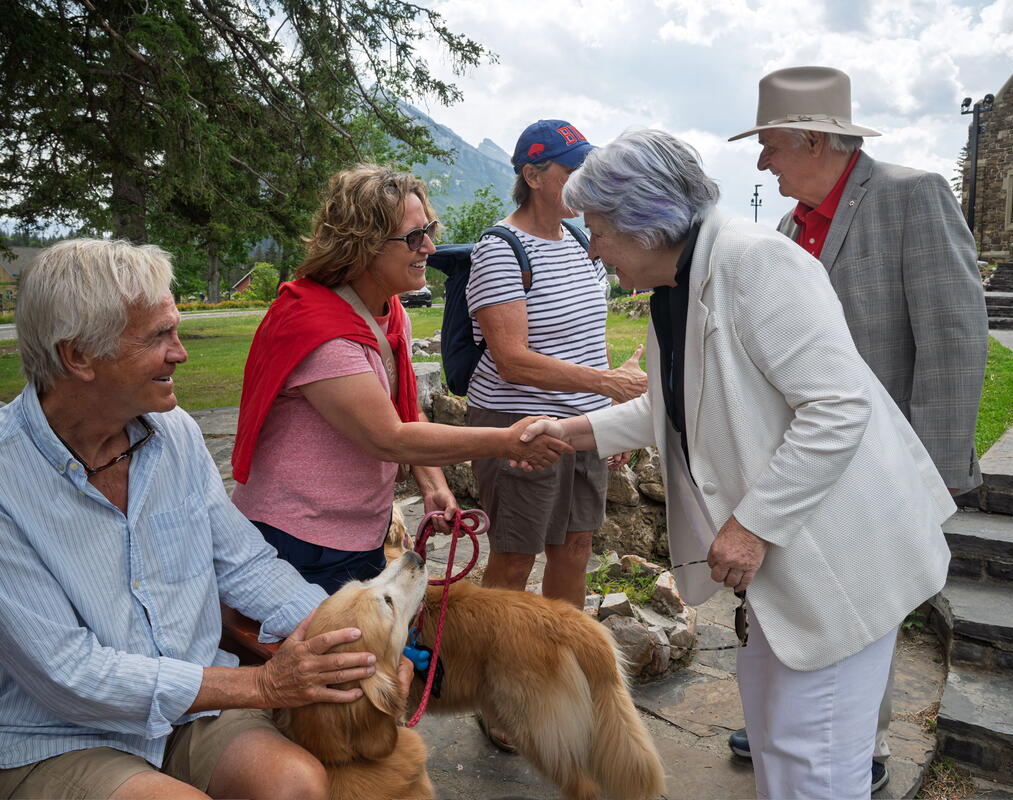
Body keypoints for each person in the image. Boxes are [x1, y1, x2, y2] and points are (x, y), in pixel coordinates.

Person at [520, 128, 956, 800]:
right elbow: (672, 409)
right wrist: (570, 429)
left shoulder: (757, 265)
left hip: (837, 562)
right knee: (779, 743)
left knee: (817, 768)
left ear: (645, 221)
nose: (594, 246)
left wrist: (751, 525)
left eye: (600, 228)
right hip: (787, 573)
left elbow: (836, 408)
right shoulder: (678, 281)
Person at [0, 239, 394, 800]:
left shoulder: (174, 433)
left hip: (196, 709)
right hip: (62, 734)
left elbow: (247, 563)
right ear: (78, 357)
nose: (180, 352)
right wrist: (261, 684)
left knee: (297, 786)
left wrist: (356, 649)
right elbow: (71, 675)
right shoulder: (7, 477)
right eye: (159, 335)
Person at [726, 65, 989, 790]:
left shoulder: (911, 195)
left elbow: (954, 338)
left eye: (771, 144)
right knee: (820, 592)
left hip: (889, 462)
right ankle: (796, 718)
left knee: (874, 603)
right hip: (812, 461)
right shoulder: (785, 228)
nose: (761, 161)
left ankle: (859, 751)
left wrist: (929, 476)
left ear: (814, 139)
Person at [231, 165, 571, 595]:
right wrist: (507, 440)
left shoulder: (389, 312)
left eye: (428, 230)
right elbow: (388, 437)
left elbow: (403, 407)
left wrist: (434, 484)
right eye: (413, 237)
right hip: (300, 541)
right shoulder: (318, 331)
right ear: (363, 244)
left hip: (356, 532)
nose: (429, 245)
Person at [464, 119, 646, 609]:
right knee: (515, 556)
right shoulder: (500, 250)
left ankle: (561, 661)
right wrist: (609, 382)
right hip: (518, 425)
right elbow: (512, 361)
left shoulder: (582, 241)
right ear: (533, 174)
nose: (585, 179)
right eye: (573, 169)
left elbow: (590, 335)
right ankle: (495, 670)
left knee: (575, 549)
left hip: (581, 423)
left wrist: (610, 417)